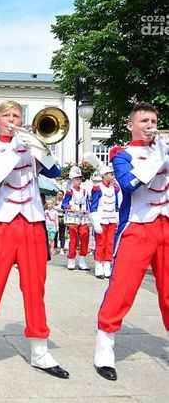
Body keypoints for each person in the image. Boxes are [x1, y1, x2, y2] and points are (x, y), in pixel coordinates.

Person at [0, 100, 69, 380]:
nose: (12, 120)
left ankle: (40, 351)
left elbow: (55, 171)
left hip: (32, 222)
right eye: (7, 116)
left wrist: (35, 145)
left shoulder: (31, 145)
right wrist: (15, 148)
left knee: (35, 288)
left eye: (17, 116)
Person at [94, 102, 169, 381]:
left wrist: (162, 151)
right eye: (144, 121)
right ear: (131, 126)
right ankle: (104, 349)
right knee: (122, 289)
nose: (150, 126)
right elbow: (128, 185)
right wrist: (157, 156)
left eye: (153, 121)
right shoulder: (121, 153)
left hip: (166, 225)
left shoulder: (163, 150)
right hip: (137, 227)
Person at [89, 166, 119, 279]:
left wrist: (117, 219)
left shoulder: (114, 188)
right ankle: (98, 265)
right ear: (105, 175)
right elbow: (93, 206)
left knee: (110, 243)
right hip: (101, 220)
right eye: (111, 174)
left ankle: (107, 265)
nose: (113, 176)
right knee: (100, 244)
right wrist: (96, 222)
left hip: (111, 220)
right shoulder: (97, 188)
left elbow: (116, 205)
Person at [62, 167, 91, 270]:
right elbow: (64, 204)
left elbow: (87, 204)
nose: (78, 181)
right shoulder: (70, 192)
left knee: (84, 237)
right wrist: (71, 207)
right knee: (73, 239)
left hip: (83, 217)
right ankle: (71, 259)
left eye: (80, 179)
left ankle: (82, 260)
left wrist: (88, 211)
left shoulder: (85, 192)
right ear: (72, 180)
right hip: (73, 217)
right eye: (76, 179)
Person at [55, 190, 66, 254]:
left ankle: (62, 248)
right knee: (54, 234)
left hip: (62, 219)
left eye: (60, 195)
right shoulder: (54, 201)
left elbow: (64, 210)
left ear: (63, 196)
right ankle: (55, 248)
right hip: (54, 219)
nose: (59, 196)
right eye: (58, 194)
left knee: (62, 234)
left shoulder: (64, 202)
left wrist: (56, 208)